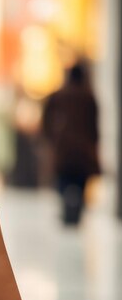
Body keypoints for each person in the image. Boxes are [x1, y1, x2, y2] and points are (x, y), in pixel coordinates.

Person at [42, 60, 101, 224]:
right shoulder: (89, 98)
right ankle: (77, 213)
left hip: (64, 150)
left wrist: (52, 138)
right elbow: (94, 127)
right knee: (80, 183)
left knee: (63, 181)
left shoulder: (58, 95)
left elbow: (46, 121)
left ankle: (67, 210)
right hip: (84, 151)